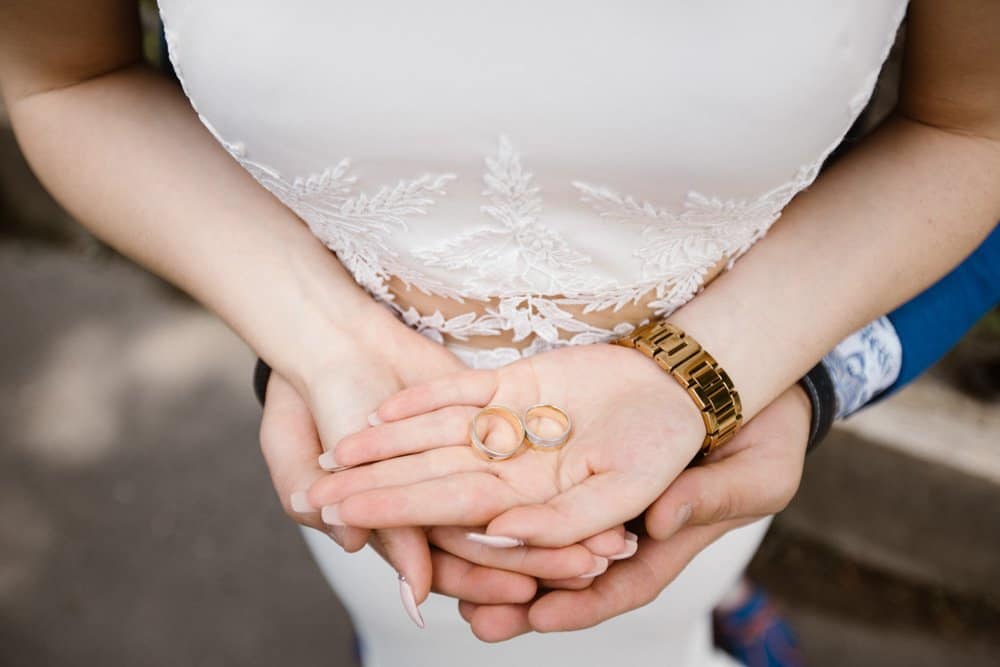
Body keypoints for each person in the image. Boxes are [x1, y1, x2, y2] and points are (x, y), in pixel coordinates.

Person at [2, 2, 998, 666]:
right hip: (368, 444)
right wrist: (315, 332)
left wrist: (759, 374)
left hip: (689, 458)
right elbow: (64, 77)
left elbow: (974, 126)